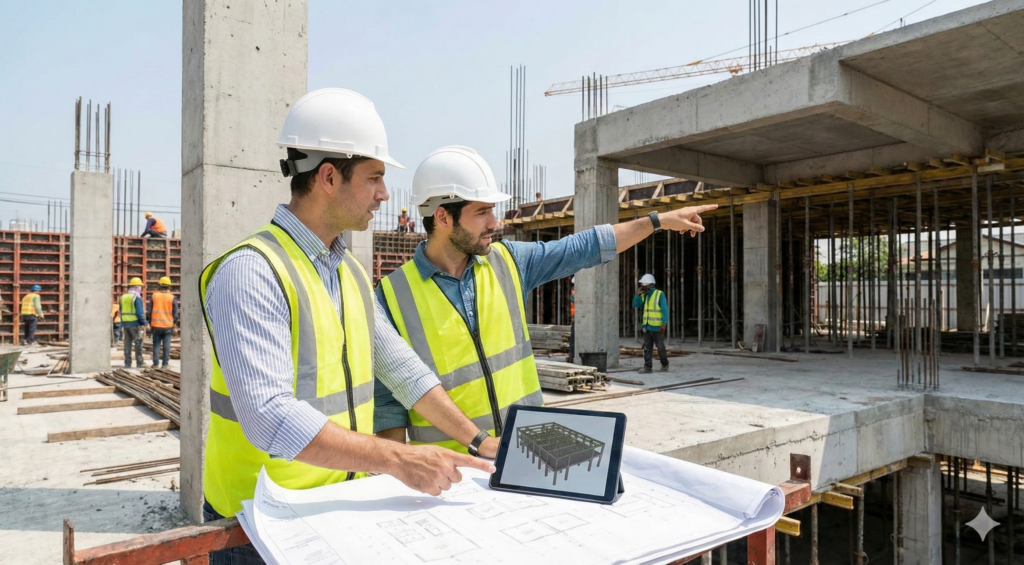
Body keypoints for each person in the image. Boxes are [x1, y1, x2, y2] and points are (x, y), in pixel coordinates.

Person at [201, 88, 496, 564]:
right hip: (256, 527)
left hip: (333, 509)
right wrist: (400, 459)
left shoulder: (348, 271)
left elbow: (401, 369)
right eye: (375, 177)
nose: (384, 193)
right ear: (329, 177)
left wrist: (479, 440)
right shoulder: (252, 271)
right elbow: (268, 415)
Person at [374, 145, 716, 450]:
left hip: (528, 450)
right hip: (451, 473)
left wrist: (654, 221)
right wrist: (396, 473)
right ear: (443, 217)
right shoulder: (391, 297)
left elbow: (583, 247)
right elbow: (388, 403)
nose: (495, 222)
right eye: (481, 212)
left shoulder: (508, 262)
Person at [633, 274, 669, 373]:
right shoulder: (644, 295)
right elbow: (635, 304)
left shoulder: (659, 294)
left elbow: (665, 309)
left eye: (644, 285)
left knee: (660, 347)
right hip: (647, 327)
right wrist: (638, 294)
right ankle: (647, 367)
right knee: (647, 349)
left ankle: (664, 364)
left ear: (650, 285)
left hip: (657, 327)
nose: (643, 287)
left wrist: (664, 323)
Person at [119, 277, 148, 368]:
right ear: (137, 287)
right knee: (138, 343)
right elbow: (139, 313)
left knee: (127, 344)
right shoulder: (136, 297)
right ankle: (140, 362)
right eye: (140, 286)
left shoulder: (123, 297)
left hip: (125, 324)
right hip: (135, 324)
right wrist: (145, 323)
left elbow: (121, 310)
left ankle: (127, 363)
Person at [149, 276, 178, 368]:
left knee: (156, 345)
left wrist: (150, 322)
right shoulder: (172, 297)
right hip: (168, 326)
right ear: (169, 286)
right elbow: (175, 314)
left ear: (159, 285)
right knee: (166, 345)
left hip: (156, 325)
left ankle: (155, 364)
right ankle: (165, 364)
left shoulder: (154, 296)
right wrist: (175, 324)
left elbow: (149, 311)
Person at [567, 276, 576, 363]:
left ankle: (572, 353)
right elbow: (574, 299)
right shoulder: (574, 292)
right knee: (573, 336)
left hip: (578, 317)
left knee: (574, 336)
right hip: (576, 317)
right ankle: (572, 353)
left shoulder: (574, 291)